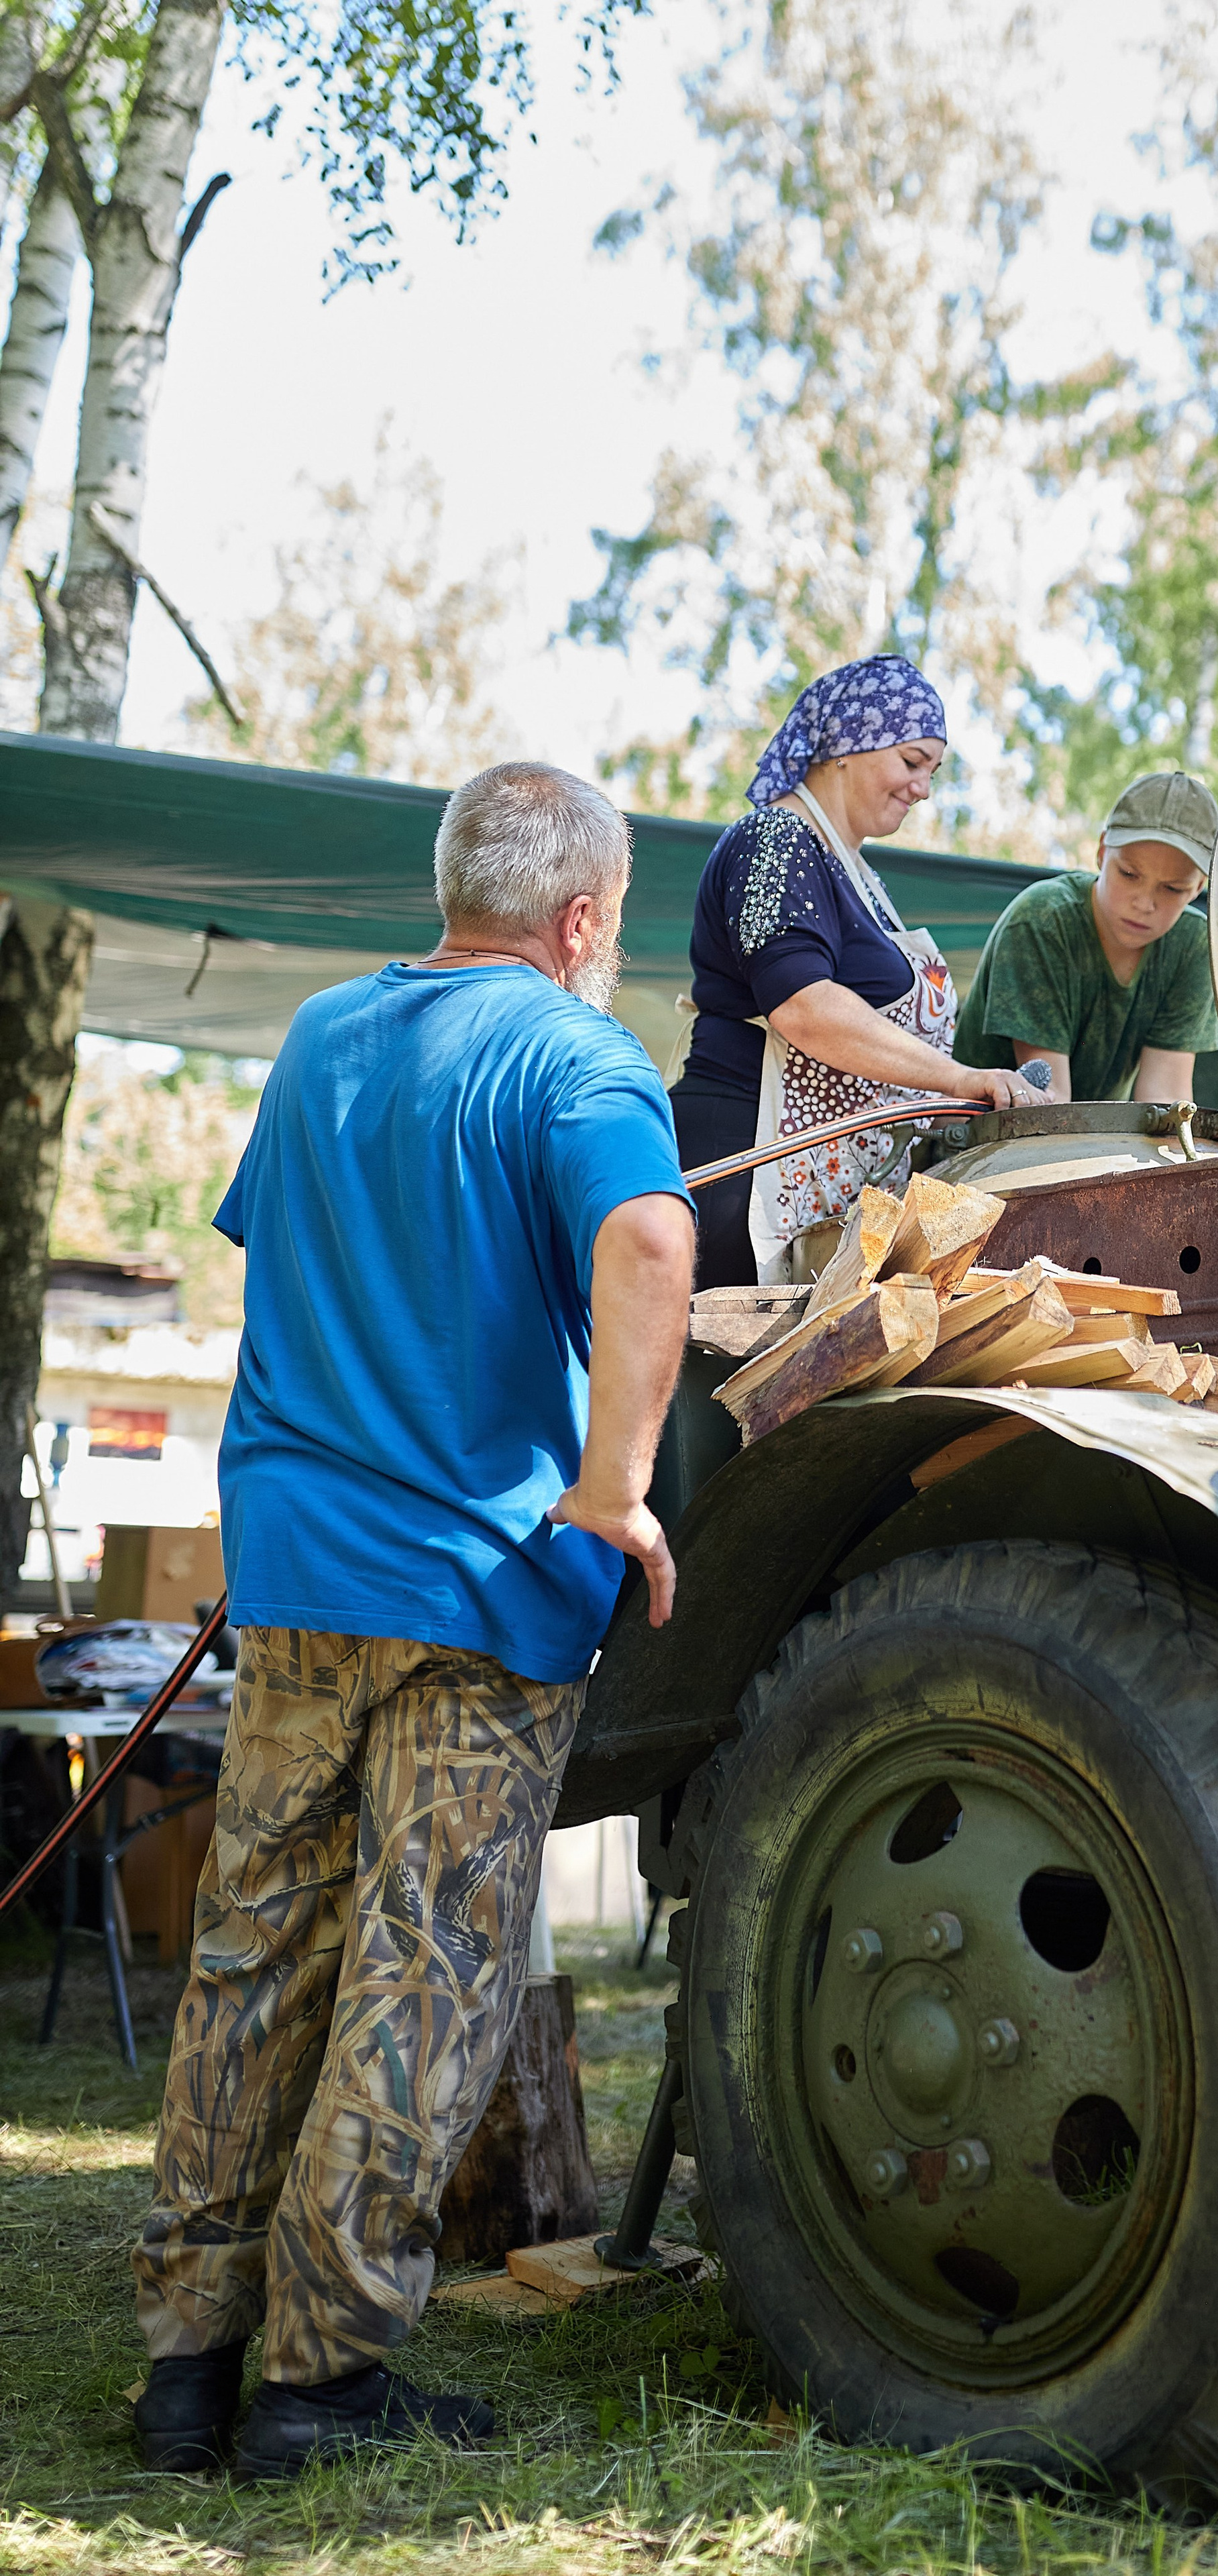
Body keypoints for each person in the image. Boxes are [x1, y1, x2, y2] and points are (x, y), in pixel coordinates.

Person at [129, 763, 695, 2483]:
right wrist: (615, 1489)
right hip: (477, 1589)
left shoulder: (317, 1039)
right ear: (580, 917)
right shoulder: (577, 1054)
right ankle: (318, 2381)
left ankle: (186, 2367)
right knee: (425, 1964)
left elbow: (289, 1261)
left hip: (300, 1575)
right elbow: (650, 1239)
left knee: (252, 1952)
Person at [668, 653, 1043, 1287]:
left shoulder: (860, 877)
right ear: (847, 744)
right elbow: (804, 1006)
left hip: (822, 1199)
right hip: (746, 1172)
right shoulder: (775, 840)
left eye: (933, 772)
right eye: (912, 762)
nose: (923, 789)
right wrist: (958, 1079)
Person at [952, 771, 1218, 1104]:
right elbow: (1049, 1102)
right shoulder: (1043, 919)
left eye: (1172, 888)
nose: (1144, 903)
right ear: (1102, 851)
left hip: (1091, 1132)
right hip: (982, 1130)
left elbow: (1165, 1099)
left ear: (1198, 887)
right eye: (1129, 874)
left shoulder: (1193, 946)